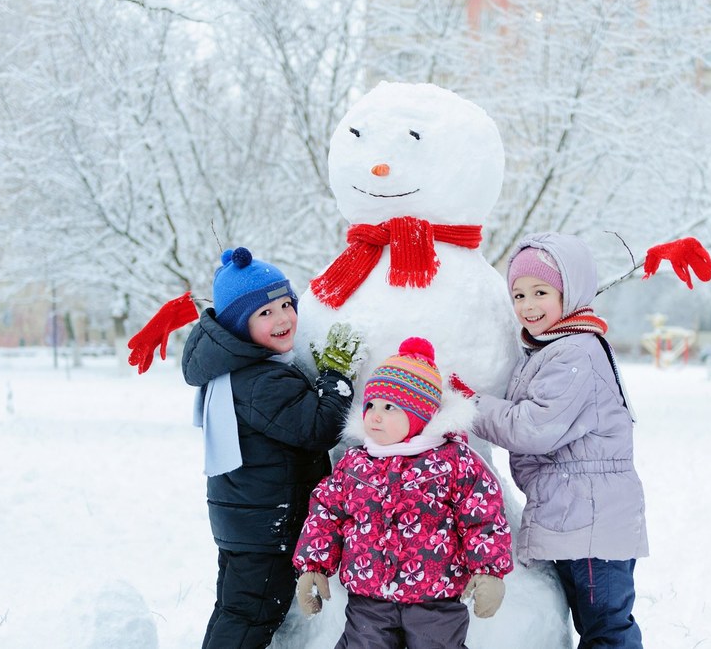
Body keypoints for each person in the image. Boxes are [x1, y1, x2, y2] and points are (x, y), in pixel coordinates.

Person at [454, 232, 649, 648]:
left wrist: (469, 404)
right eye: (519, 295)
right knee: (595, 624)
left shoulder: (576, 352)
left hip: (593, 524)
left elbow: (533, 428)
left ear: (570, 291)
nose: (527, 306)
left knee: (606, 628)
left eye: (540, 292)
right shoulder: (553, 349)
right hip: (575, 517)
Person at [181, 247, 360, 649]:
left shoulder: (244, 369)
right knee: (249, 617)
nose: (282, 319)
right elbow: (318, 427)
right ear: (239, 325)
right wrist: (336, 376)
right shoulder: (260, 381)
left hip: (248, 522)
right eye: (265, 313)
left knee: (236, 611)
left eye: (286, 305)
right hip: (266, 527)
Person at [292, 337, 513, 649]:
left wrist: (489, 572)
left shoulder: (452, 461)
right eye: (370, 405)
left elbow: (483, 517)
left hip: (435, 598)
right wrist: (313, 566)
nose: (375, 415)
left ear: (420, 415)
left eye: (389, 407)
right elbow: (326, 514)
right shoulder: (355, 463)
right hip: (368, 599)